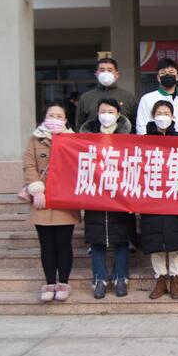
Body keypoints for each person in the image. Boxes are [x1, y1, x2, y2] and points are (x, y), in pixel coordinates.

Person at [22, 102, 78, 302]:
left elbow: (78, 167)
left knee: (63, 243)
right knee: (46, 244)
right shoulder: (35, 139)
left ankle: (63, 283)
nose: (55, 119)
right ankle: (49, 283)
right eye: (51, 115)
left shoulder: (74, 140)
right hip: (42, 199)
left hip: (64, 199)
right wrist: (36, 188)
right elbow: (29, 165)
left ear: (65, 120)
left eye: (59, 116)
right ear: (45, 117)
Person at [79, 99, 134, 299]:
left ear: (118, 115)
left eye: (111, 111)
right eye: (103, 111)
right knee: (97, 240)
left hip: (120, 194)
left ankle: (121, 277)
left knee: (121, 238)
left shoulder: (129, 138)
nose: (106, 114)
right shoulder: (85, 138)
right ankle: (99, 279)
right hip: (94, 194)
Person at [141, 100, 178, 300]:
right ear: (153, 116)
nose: (163, 117)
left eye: (166, 113)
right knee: (155, 238)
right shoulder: (143, 141)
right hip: (151, 195)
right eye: (159, 113)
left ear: (173, 117)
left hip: (175, 194)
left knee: (176, 237)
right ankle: (160, 278)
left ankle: (175, 278)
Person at [75, 57, 137, 130]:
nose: (106, 73)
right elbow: (80, 127)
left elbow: (135, 125)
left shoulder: (128, 97)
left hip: (123, 137)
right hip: (93, 137)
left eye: (110, 70)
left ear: (117, 74)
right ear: (96, 74)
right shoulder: (85, 98)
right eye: (102, 70)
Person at [136, 58, 178, 135]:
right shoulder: (147, 99)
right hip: (156, 141)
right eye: (163, 73)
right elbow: (141, 127)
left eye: (171, 72)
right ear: (158, 78)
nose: (167, 75)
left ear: (177, 77)